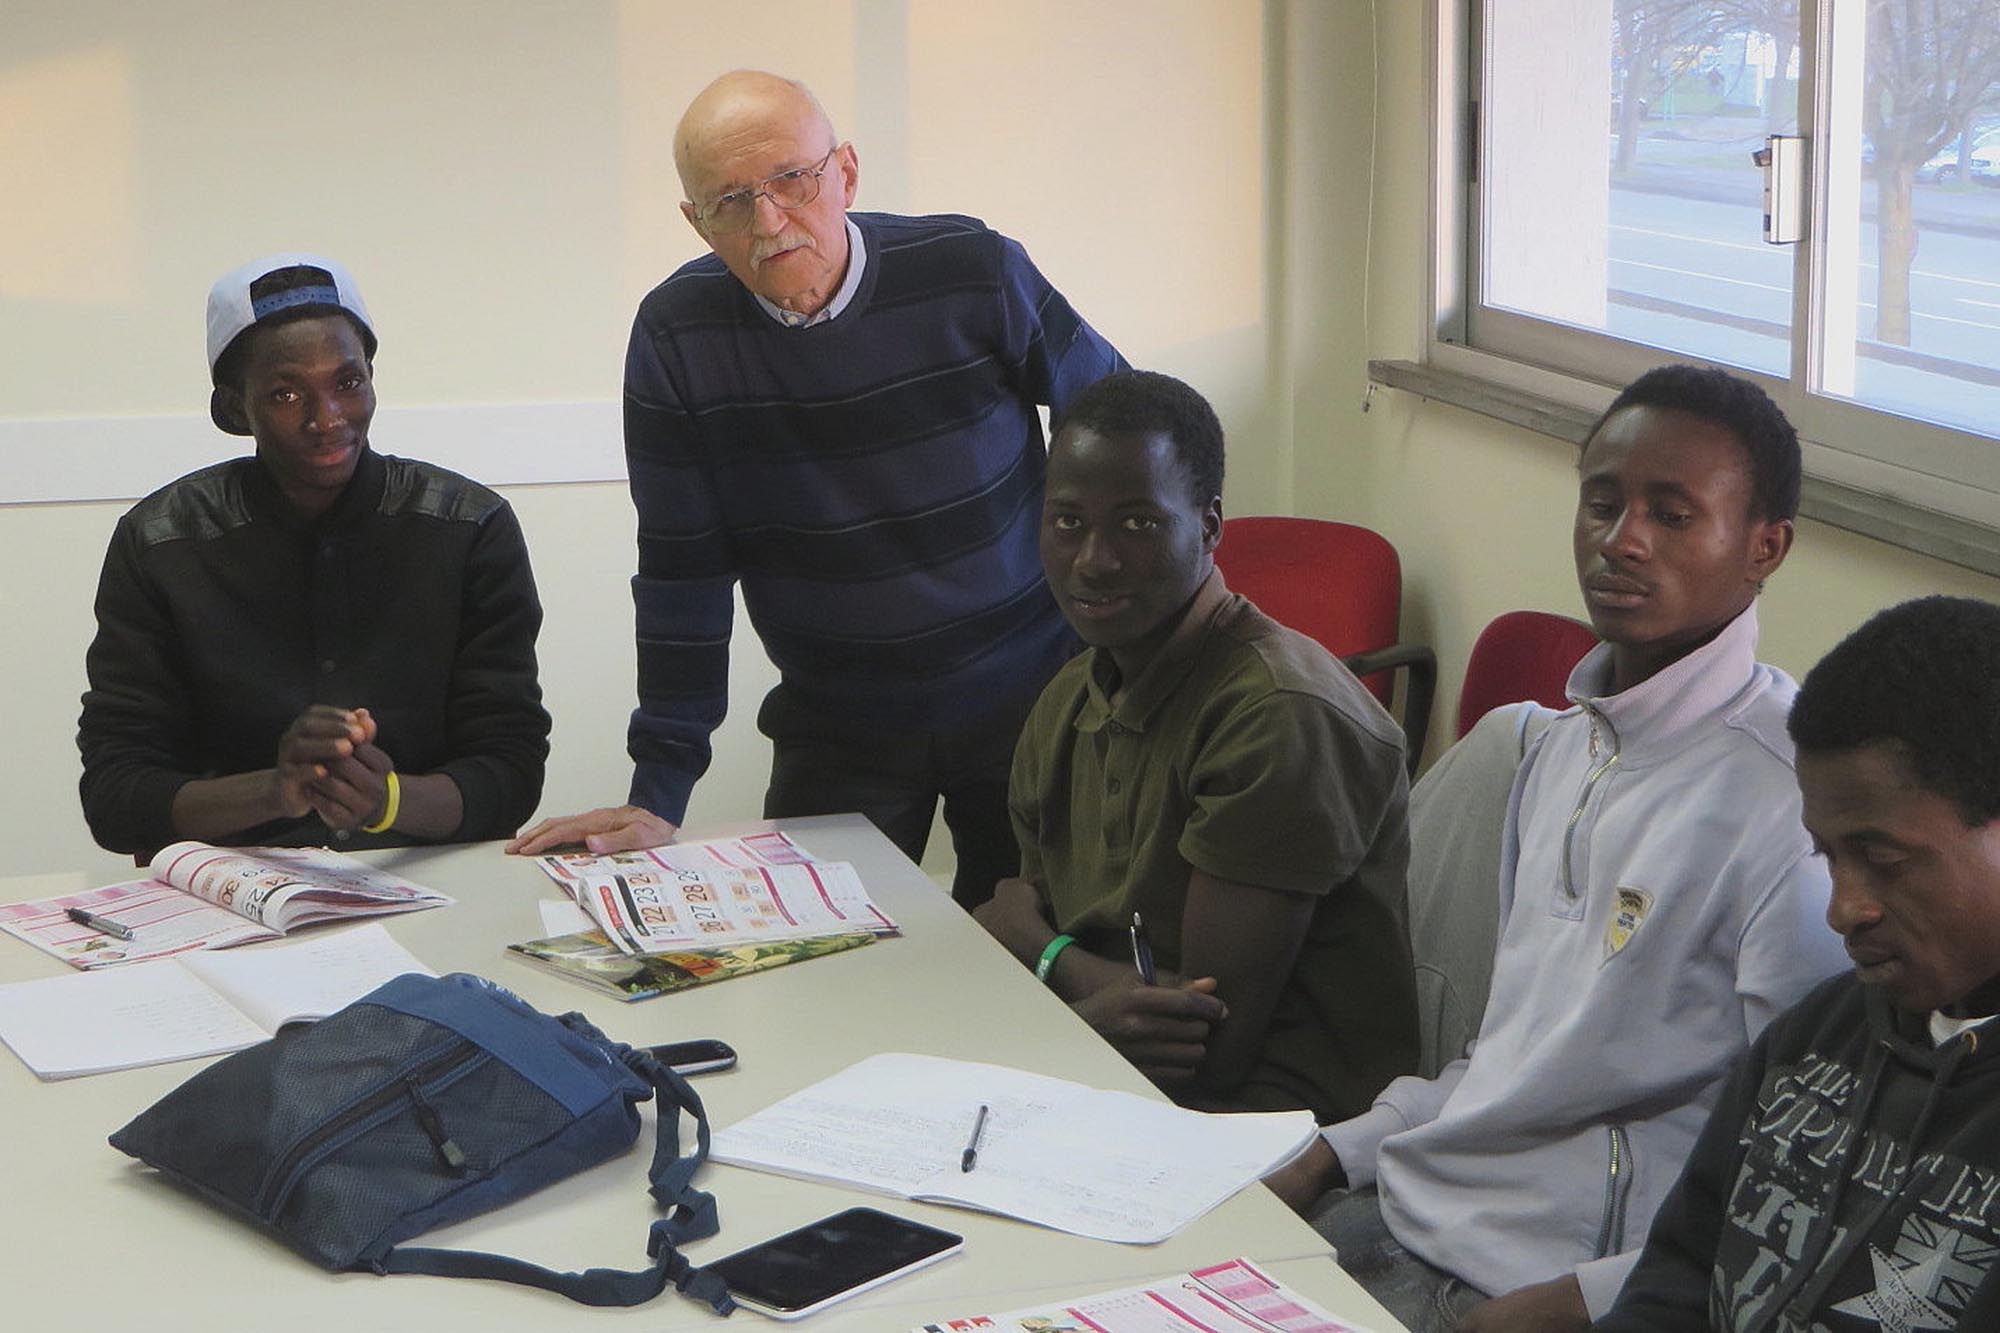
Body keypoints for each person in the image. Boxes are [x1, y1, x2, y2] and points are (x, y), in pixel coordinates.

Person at [1265, 365, 1849, 1333]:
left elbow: (1791, 1172)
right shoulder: (1562, 745)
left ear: (1763, 547)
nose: (1619, 540)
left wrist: (1576, 1304)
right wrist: (1331, 1152)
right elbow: (1505, 1055)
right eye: (1601, 502)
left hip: (1533, 1288)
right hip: (1398, 1209)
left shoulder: (1790, 806)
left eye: (1670, 514)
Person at [507, 71, 1124, 907]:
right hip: (839, 722)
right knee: (812, 958)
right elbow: (683, 572)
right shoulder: (676, 336)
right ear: (695, 221)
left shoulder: (973, 272)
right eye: (729, 201)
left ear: (846, 173)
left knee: (1044, 950)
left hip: (1034, 698)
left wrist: (1123, 644)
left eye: (792, 180)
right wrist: (658, 794)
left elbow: (1122, 426)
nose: (768, 221)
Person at [971, 370, 1417, 1124]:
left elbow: (1207, 1044)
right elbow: (1034, 938)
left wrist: (1038, 949)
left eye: (1138, 524)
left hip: (1272, 1123)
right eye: (1068, 521)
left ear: (1209, 527)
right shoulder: (1069, 697)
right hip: (1111, 1073)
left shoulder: (1277, 714)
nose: (1093, 559)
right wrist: (1063, 970)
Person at [1599, 595, 2000, 1332]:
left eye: (1882, 859)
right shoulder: (1817, 1036)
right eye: (1828, 856)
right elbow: (1680, 1273)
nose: (1843, 909)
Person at [77, 253, 550, 857]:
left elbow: (511, 773)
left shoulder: (470, 528)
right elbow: (116, 798)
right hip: (223, 898)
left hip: (426, 884)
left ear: (372, 378)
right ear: (233, 407)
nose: (326, 419)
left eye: (347, 383)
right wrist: (277, 792)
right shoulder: (160, 543)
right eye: (285, 393)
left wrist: (387, 801)